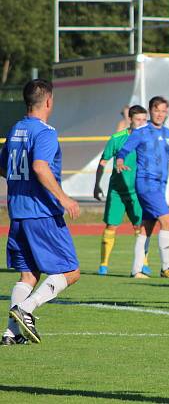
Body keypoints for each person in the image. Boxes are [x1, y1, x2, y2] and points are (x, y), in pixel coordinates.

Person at [0, 79, 81, 345]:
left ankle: (10, 334)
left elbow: (4, 166)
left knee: (28, 275)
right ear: (48, 101)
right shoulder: (45, 132)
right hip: (42, 213)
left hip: (18, 212)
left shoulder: (15, 130)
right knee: (71, 272)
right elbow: (40, 167)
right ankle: (27, 308)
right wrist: (64, 198)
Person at [116, 96, 169, 279]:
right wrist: (120, 161)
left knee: (147, 226)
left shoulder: (168, 134)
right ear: (150, 111)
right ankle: (166, 267)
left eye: (163, 111)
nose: (160, 114)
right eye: (157, 110)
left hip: (160, 185)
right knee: (167, 221)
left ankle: (136, 270)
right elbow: (123, 150)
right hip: (146, 183)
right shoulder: (141, 132)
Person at [93, 105, 152, 276]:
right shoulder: (117, 138)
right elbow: (103, 162)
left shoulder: (149, 139)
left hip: (138, 192)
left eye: (144, 120)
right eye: (138, 119)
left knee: (140, 227)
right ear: (130, 119)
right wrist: (96, 185)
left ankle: (144, 263)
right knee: (111, 225)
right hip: (117, 191)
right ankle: (103, 265)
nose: (142, 123)